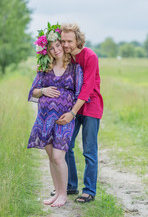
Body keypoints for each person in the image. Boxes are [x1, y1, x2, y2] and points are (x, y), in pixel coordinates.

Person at [27, 23, 83, 207]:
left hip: (64, 119)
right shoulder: (45, 68)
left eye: (58, 45)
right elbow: (33, 92)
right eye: (51, 48)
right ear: (47, 51)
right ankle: (57, 193)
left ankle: (64, 194)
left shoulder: (75, 68)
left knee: (59, 157)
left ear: (62, 45)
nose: (56, 49)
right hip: (44, 119)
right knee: (51, 158)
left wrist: (71, 114)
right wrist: (43, 90)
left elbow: (79, 94)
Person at [55, 23, 103, 203]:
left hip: (91, 107)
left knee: (89, 150)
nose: (65, 44)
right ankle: (70, 185)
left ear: (78, 40)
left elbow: (87, 87)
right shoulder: (66, 57)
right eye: (63, 41)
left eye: (69, 41)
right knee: (66, 145)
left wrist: (72, 113)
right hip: (73, 107)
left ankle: (89, 191)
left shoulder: (90, 56)